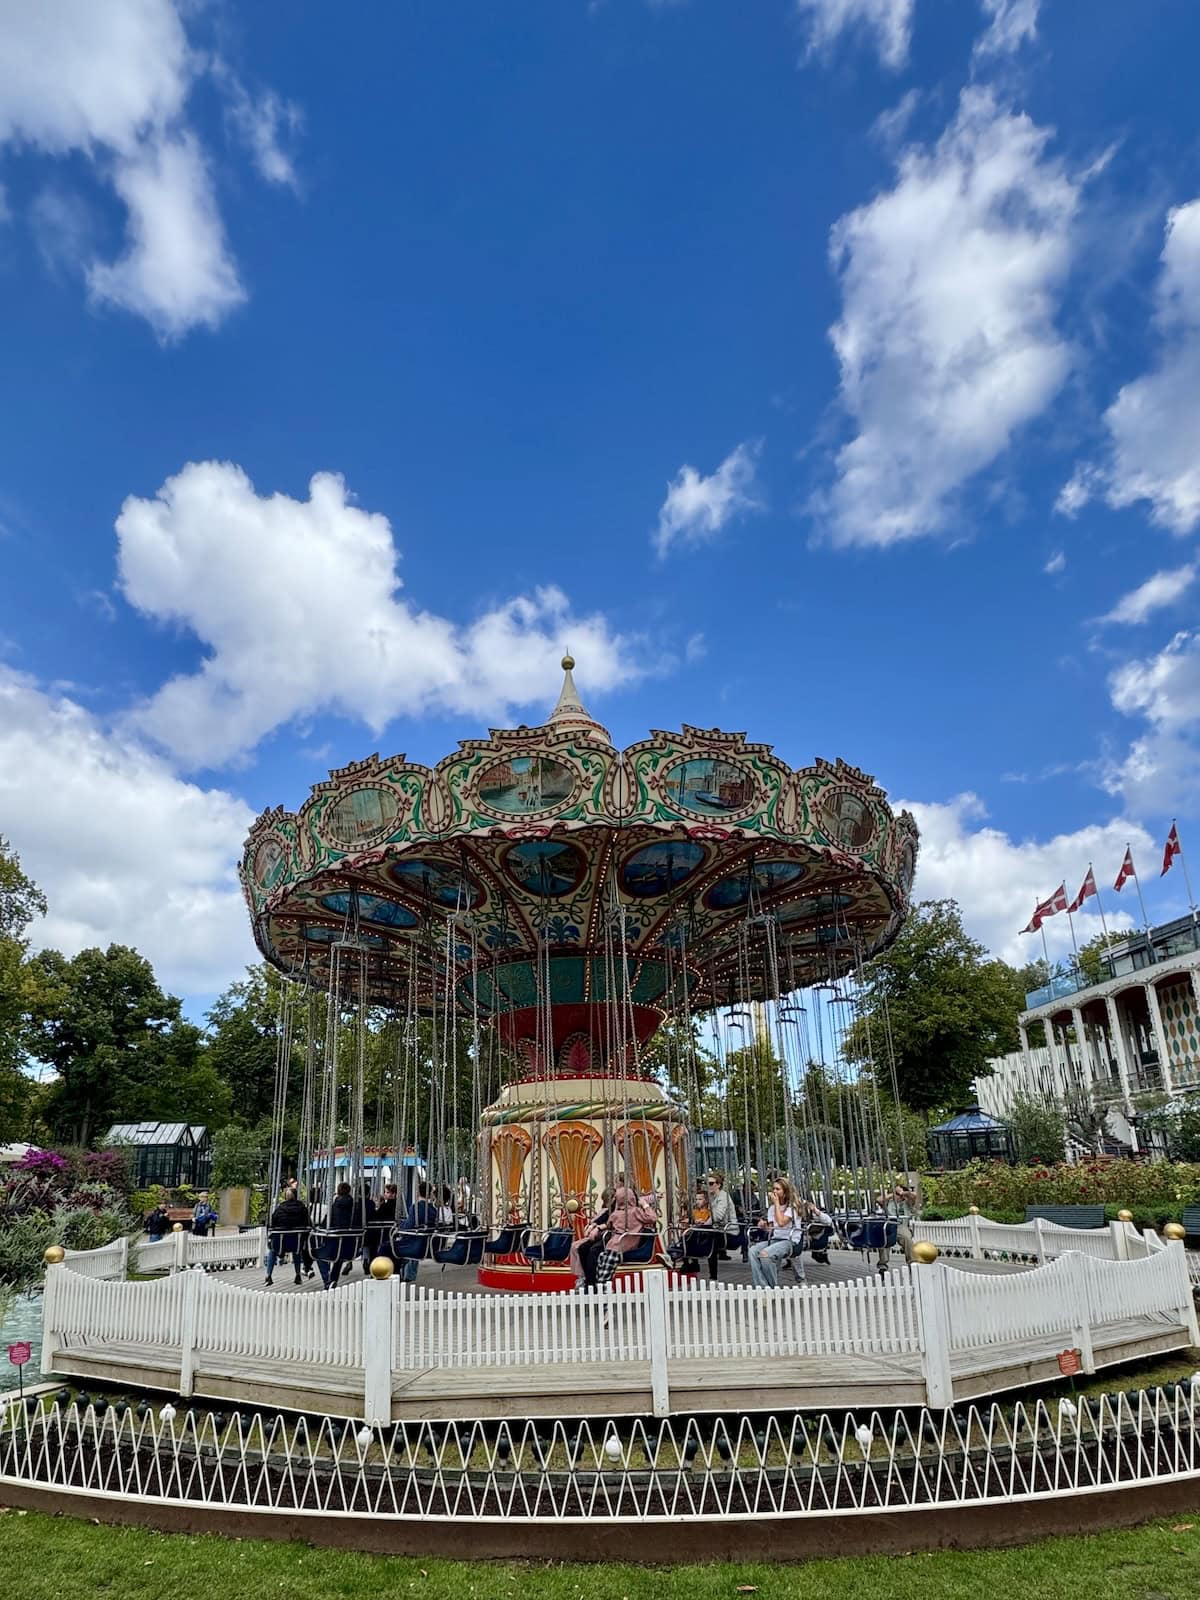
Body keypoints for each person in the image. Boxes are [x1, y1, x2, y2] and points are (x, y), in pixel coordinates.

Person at [592, 1184, 657, 1288]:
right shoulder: (636, 1212)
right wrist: (645, 1206)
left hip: (619, 1245)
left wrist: (598, 1227)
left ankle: (602, 1287)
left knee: (604, 1265)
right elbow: (652, 1217)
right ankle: (602, 1287)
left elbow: (609, 1225)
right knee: (602, 1260)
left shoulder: (617, 1213)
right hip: (620, 1244)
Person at [680, 1172, 737, 1280]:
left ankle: (713, 1275)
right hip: (716, 1228)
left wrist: (705, 1223)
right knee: (691, 1232)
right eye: (707, 1183)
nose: (708, 1186)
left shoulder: (723, 1196)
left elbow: (718, 1215)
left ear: (718, 1184)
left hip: (728, 1230)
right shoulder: (710, 1197)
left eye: (711, 1183)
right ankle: (689, 1260)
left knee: (710, 1241)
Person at [748, 1178, 799, 1288]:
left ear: (785, 1192)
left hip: (789, 1241)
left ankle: (771, 1287)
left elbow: (781, 1222)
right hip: (775, 1239)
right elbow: (772, 1229)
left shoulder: (793, 1207)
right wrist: (763, 1226)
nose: (774, 1191)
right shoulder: (772, 1208)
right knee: (753, 1251)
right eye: (773, 1189)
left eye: (778, 1189)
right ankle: (762, 1286)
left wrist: (776, 1203)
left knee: (765, 1254)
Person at [265, 1187, 312, 1286]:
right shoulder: (302, 1209)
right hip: (296, 1242)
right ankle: (298, 1274)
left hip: (280, 1243)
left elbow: (272, 1224)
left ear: (285, 1197)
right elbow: (308, 1224)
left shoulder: (279, 1209)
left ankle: (268, 1275)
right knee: (297, 1249)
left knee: (273, 1250)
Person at [570, 1188, 614, 1290]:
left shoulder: (618, 1209)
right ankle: (584, 1277)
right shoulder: (607, 1210)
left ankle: (587, 1279)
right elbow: (599, 1219)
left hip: (607, 1236)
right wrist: (591, 1225)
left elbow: (610, 1222)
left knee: (587, 1249)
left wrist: (596, 1227)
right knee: (579, 1247)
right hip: (600, 1234)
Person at [396, 1181, 439, 1284]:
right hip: (427, 1242)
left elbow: (409, 1226)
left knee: (392, 1246)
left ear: (418, 1193)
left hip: (416, 1241)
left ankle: (397, 1271)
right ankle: (409, 1273)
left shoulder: (416, 1208)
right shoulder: (433, 1209)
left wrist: (400, 1226)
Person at [318, 1182, 358, 1289]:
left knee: (319, 1254)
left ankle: (327, 1280)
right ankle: (333, 1279)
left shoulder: (335, 1206)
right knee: (339, 1257)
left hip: (335, 1243)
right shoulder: (355, 1206)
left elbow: (325, 1223)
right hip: (350, 1246)